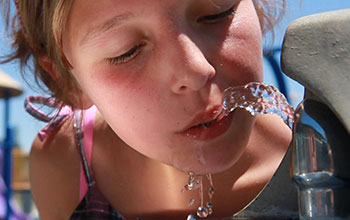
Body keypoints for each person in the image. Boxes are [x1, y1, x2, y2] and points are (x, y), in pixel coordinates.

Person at [1, 0, 291, 219]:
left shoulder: (320, 146)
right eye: (127, 51)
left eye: (217, 11)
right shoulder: (65, 161)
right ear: (68, 81)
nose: (196, 71)